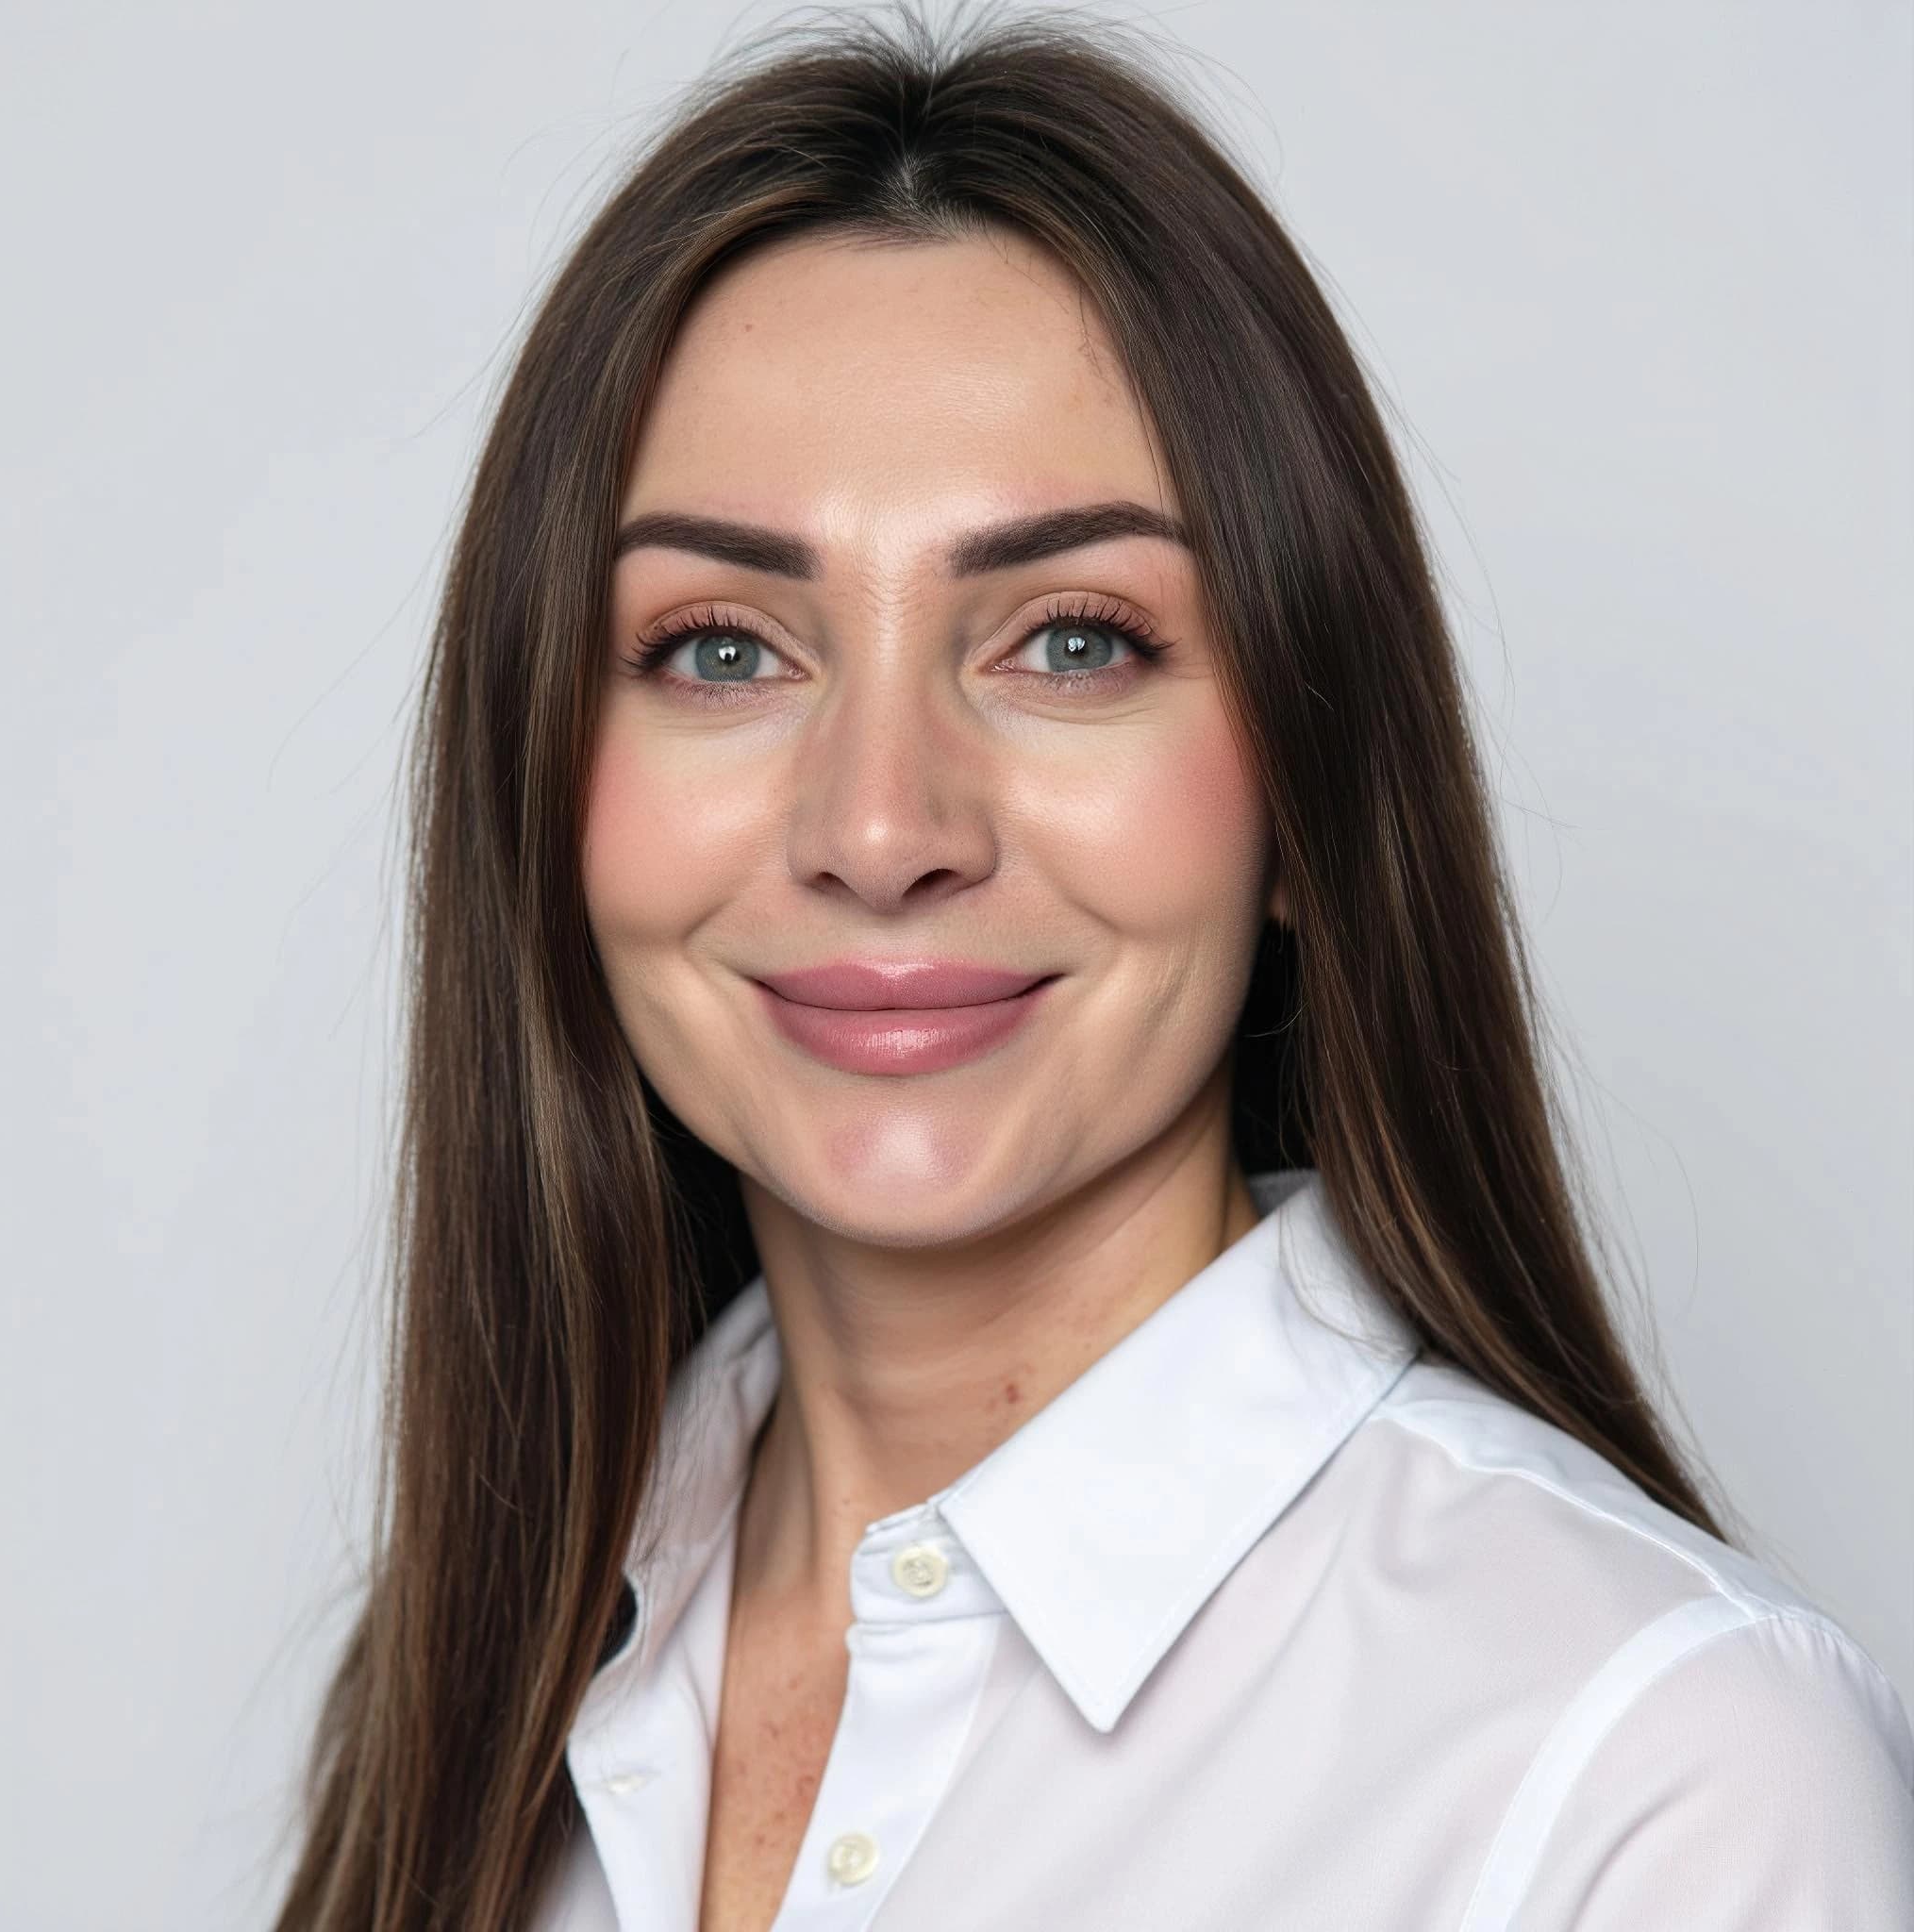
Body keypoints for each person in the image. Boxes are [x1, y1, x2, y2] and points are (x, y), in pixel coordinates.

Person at [271, 7, 1914, 1929]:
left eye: (1069, 640)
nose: (881, 828)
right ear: (545, 792)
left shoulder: (1647, 1770)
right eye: (724, 648)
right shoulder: (487, 1668)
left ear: (1303, 791)